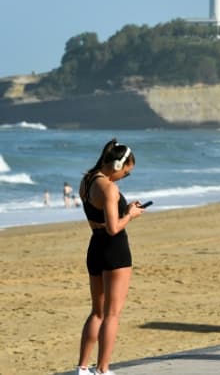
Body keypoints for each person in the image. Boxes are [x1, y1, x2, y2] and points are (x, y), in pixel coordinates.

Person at [76, 140, 146, 375]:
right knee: (112, 314)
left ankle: (82, 368)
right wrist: (132, 215)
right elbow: (113, 228)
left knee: (97, 312)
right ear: (117, 165)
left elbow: (101, 218)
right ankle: (103, 369)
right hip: (114, 250)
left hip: (95, 247)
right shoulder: (109, 188)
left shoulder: (87, 181)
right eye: (126, 172)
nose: (124, 177)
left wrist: (124, 210)